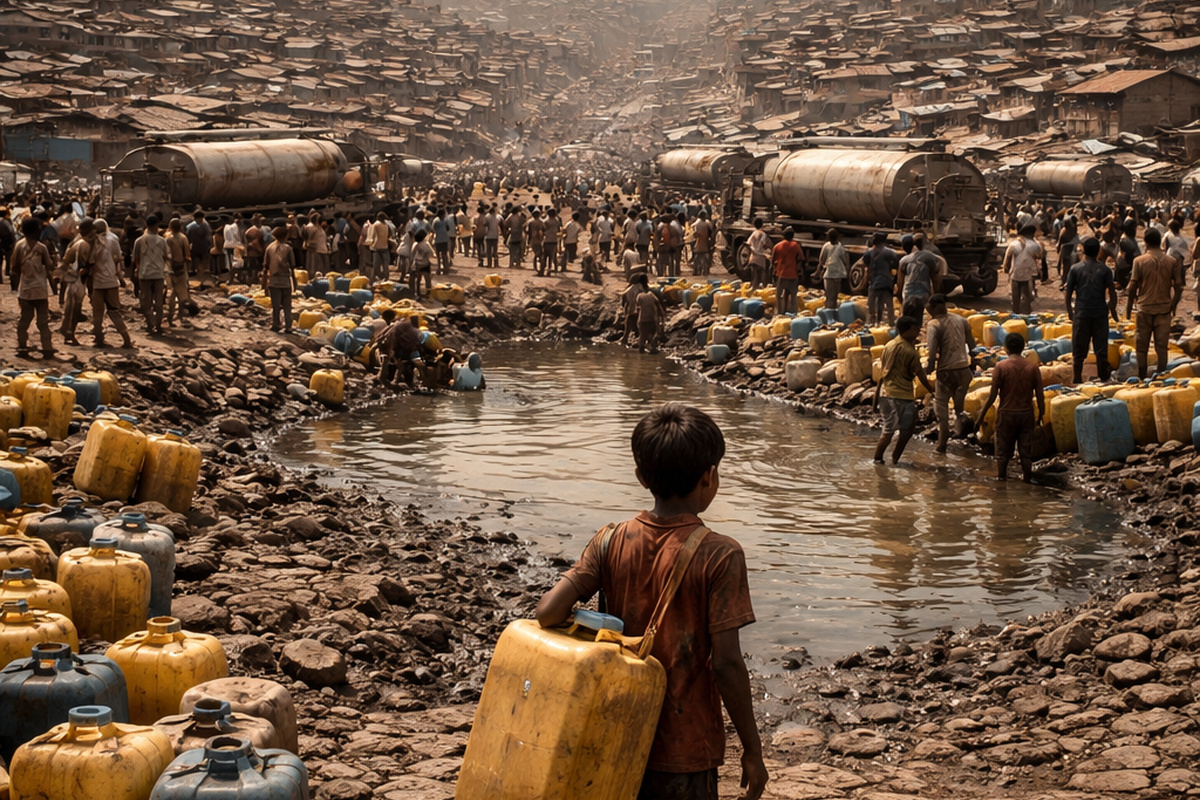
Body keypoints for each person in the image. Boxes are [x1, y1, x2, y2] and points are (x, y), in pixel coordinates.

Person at [534, 403, 767, 800]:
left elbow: (547, 612)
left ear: (641, 477)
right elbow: (727, 663)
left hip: (614, 728)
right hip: (684, 744)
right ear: (710, 477)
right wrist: (753, 749)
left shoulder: (610, 539)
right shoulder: (720, 555)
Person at [978, 333, 1045, 483]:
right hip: (1026, 413)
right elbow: (1040, 395)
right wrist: (1041, 413)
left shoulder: (1001, 367)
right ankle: (1027, 480)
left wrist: (981, 416)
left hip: (1006, 414)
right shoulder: (1032, 368)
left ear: (1006, 348)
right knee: (1025, 453)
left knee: (1002, 454)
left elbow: (992, 395)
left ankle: (1001, 480)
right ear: (1022, 348)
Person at [1125, 227, 1184, 379]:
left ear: (1145, 243)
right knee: (1162, 348)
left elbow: (1132, 287)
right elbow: (1179, 286)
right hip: (1164, 310)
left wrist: (1129, 307)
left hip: (1144, 309)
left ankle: (1142, 377)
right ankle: (1162, 376)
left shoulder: (1139, 261)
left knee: (1141, 348)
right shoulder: (1172, 261)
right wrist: (1174, 305)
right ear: (1160, 242)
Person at [873, 316, 932, 464]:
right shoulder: (910, 351)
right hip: (902, 395)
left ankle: (878, 460)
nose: (919, 332)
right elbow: (921, 376)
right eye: (916, 329)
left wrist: (875, 399)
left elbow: (883, 372)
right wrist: (932, 390)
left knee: (888, 429)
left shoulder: (888, 345)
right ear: (907, 330)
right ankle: (894, 459)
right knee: (907, 429)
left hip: (885, 393)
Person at [925, 295, 976, 454]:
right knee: (959, 408)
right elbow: (973, 347)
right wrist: (973, 364)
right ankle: (969, 432)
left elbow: (932, 353)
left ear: (932, 308)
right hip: (964, 371)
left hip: (947, 373)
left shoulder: (934, 325)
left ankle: (941, 447)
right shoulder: (962, 320)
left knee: (942, 410)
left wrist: (928, 369)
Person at [1065, 237, 1118, 383]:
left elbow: (1068, 293)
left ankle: (1077, 379)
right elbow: (1112, 293)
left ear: (1084, 251)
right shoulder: (1105, 270)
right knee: (1101, 349)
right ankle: (1103, 378)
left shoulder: (1075, 269)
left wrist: (1070, 312)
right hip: (1099, 313)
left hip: (1081, 313)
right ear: (1098, 252)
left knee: (1079, 349)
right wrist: (1111, 309)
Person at [81, 218, 133, 349]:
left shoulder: (91, 244)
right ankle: (126, 339)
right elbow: (118, 257)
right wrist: (120, 277)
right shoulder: (113, 239)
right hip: (111, 282)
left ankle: (99, 339)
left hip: (98, 284)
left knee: (97, 313)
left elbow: (89, 262)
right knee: (114, 311)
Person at [11, 217, 57, 359]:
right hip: (41, 291)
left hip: (25, 291)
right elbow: (50, 268)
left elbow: (14, 269)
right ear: (36, 230)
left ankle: (22, 346)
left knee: (24, 320)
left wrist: (15, 287)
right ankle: (47, 348)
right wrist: (55, 289)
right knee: (43, 322)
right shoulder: (42, 248)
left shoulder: (19, 246)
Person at [131, 215, 168, 335]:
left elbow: (135, 259)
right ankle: (158, 326)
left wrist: (134, 274)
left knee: (146, 302)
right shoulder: (162, 241)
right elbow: (166, 257)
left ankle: (150, 325)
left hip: (144, 275)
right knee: (159, 303)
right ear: (156, 225)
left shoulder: (139, 241)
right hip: (158, 275)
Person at [896, 233, 940, 322]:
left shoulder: (904, 260)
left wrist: (899, 296)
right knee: (918, 317)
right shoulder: (930, 257)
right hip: (923, 293)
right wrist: (936, 295)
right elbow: (935, 279)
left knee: (906, 318)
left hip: (908, 292)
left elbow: (900, 281)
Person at [262, 221, 297, 333]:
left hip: (274, 281)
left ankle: (276, 324)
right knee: (287, 305)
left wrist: (264, 284)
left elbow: (265, 268)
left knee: (276, 306)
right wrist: (294, 282)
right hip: (285, 280)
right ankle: (288, 326)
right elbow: (292, 267)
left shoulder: (269, 248)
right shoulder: (288, 248)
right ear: (285, 236)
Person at [1001, 224, 1043, 315]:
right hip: (1029, 275)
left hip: (1015, 274)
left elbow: (1007, 258)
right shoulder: (1035, 245)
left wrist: (1006, 268)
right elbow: (1040, 256)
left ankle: (1015, 314)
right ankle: (1026, 314)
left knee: (1015, 297)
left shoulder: (1014, 244)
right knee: (1027, 296)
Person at [863, 232, 898, 326]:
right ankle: (891, 325)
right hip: (887, 284)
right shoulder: (891, 253)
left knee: (871, 307)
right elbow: (894, 269)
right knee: (889, 307)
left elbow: (867, 268)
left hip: (874, 284)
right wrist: (894, 282)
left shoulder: (869, 253)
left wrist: (867, 281)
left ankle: (873, 324)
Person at [164, 218, 193, 329]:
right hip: (180, 268)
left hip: (169, 268)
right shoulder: (183, 238)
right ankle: (179, 315)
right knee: (182, 293)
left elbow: (165, 254)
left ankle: (170, 318)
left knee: (171, 294)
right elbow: (187, 254)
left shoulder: (167, 238)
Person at [772, 226, 801, 315]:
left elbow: (773, 260)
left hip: (781, 274)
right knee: (793, 296)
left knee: (779, 295)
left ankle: (780, 313)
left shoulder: (777, 246)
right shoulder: (796, 246)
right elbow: (801, 258)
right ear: (792, 236)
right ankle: (793, 313)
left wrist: (774, 271)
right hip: (793, 275)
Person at [816, 228, 848, 310]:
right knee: (835, 296)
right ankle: (835, 312)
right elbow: (844, 260)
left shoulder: (826, 246)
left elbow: (821, 260)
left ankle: (829, 313)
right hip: (838, 274)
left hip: (829, 274)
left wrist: (822, 267)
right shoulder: (840, 247)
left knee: (829, 296)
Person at [635, 280, 665, 354]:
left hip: (643, 319)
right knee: (651, 336)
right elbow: (658, 306)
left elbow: (637, 308)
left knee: (642, 338)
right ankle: (651, 350)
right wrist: (662, 318)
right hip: (651, 319)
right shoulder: (652, 295)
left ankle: (641, 356)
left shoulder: (639, 296)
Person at [746, 218, 771, 290]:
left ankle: (753, 289)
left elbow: (748, 244)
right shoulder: (764, 235)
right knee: (763, 274)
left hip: (753, 257)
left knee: (754, 276)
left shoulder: (753, 234)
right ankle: (764, 288)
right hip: (761, 258)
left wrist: (750, 253)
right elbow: (769, 245)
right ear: (762, 225)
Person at [409, 228, 434, 298]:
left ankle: (416, 292)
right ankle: (428, 292)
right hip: (425, 264)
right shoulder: (426, 244)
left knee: (417, 279)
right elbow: (431, 253)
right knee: (427, 279)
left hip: (417, 264)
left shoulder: (415, 244)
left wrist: (411, 265)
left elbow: (412, 255)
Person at [692, 211, 712, 276]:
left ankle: (697, 271)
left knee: (697, 258)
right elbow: (710, 233)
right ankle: (705, 271)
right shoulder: (707, 224)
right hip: (706, 243)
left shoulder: (698, 224)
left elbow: (695, 234)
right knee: (706, 259)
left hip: (699, 243)